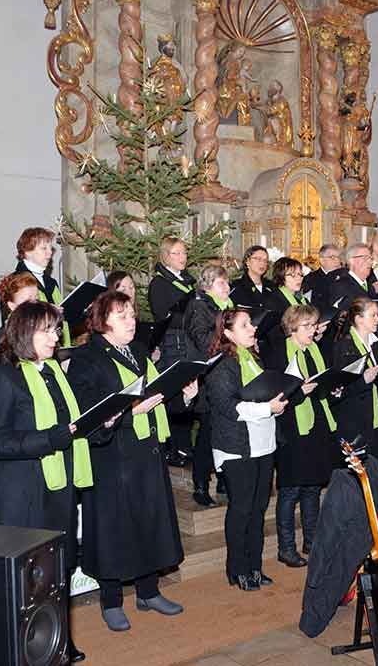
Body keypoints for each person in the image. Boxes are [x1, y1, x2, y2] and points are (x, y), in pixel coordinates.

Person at [68, 291, 196, 632]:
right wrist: (129, 412)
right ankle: (111, 600)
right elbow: (89, 413)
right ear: (103, 321)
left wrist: (182, 396)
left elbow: (155, 395)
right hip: (112, 457)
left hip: (146, 451)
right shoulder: (87, 357)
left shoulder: (139, 351)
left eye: (131, 314)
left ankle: (148, 591)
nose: (132, 320)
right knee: (114, 530)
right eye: (122, 315)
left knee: (149, 521)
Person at [0, 301, 89, 663]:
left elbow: (69, 427)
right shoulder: (2, 376)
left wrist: (95, 425)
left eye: (56, 329)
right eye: (47, 330)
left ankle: (56, 642)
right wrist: (49, 440)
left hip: (57, 487)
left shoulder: (54, 373)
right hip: (19, 494)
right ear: (24, 333)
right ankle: (21, 652)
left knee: (57, 571)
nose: (55, 337)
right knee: (24, 580)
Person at [205, 309, 286, 591]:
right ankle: (237, 569)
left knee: (259, 509)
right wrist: (267, 407)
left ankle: (255, 566)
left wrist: (278, 400)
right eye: (244, 325)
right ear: (227, 333)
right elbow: (227, 406)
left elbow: (262, 394)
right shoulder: (222, 366)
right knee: (241, 509)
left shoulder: (253, 358)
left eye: (250, 324)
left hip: (263, 444)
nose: (252, 328)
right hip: (236, 447)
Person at [264, 305, 339, 567]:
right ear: (293, 327)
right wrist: (299, 393)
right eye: (307, 325)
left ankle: (312, 540)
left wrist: (332, 388)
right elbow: (274, 394)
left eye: (315, 325)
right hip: (292, 426)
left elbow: (320, 384)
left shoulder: (315, 349)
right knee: (290, 490)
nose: (313, 330)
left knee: (312, 486)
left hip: (317, 423)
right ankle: (286, 548)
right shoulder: (278, 353)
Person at [184, 265, 234, 506]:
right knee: (207, 435)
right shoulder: (198, 306)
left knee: (225, 431)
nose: (227, 287)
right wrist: (230, 334)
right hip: (206, 379)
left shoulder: (226, 306)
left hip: (226, 376)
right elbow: (204, 341)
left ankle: (224, 479)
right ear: (207, 285)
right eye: (222, 283)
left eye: (227, 283)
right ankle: (201, 484)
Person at [149, 236, 199, 467]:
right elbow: (163, 316)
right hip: (173, 343)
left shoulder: (188, 281)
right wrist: (191, 313)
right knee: (174, 393)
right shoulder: (159, 283)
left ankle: (185, 445)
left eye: (184, 253)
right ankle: (173, 447)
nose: (183, 257)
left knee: (190, 392)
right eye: (177, 253)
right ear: (166, 256)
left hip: (189, 342)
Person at [331, 298, 378, 473]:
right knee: (359, 478)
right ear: (359, 319)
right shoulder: (343, 346)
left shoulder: (377, 343)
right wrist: (363, 381)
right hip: (356, 422)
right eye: (373, 315)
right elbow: (337, 391)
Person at [10, 227, 71, 345]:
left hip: (57, 345)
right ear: (27, 251)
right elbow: (15, 322)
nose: (50, 252)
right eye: (44, 248)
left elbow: (64, 318)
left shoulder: (51, 282)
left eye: (50, 248)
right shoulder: (16, 282)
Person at [302, 244, 343, 310]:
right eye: (332, 257)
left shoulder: (344, 277)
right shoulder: (310, 279)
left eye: (339, 257)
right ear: (322, 260)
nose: (337, 261)